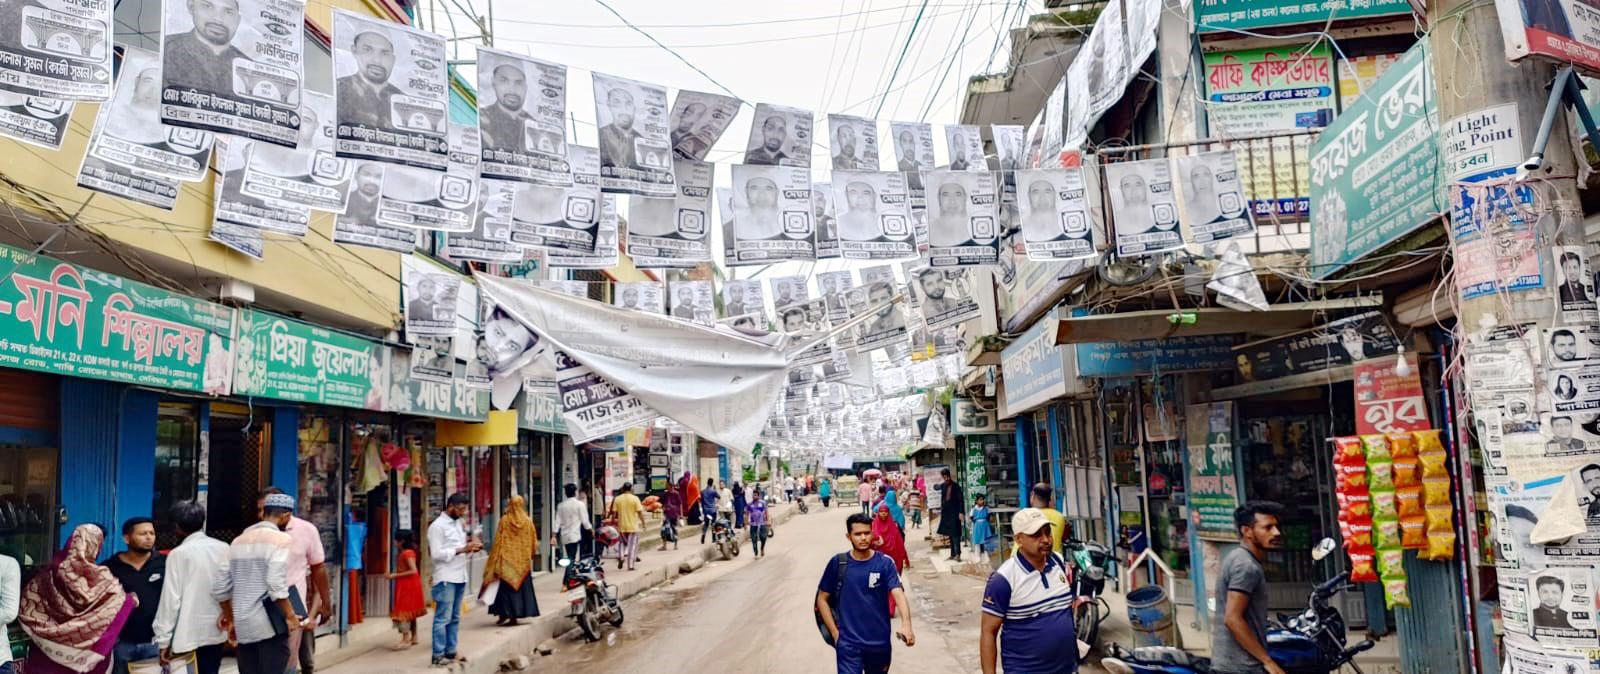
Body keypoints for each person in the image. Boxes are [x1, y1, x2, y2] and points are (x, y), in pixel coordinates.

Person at [20, 524, 133, 674]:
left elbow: (28, 606)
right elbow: (118, 604)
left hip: (46, 657)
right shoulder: (101, 578)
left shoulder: (46, 576)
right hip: (89, 663)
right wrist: (130, 601)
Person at [979, 508, 1078, 674]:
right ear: (1019, 539)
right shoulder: (1004, 579)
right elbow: (988, 632)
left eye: (1048, 532)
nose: (1046, 540)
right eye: (1036, 535)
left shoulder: (1058, 563)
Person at [816, 514, 915, 674]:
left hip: (879, 643)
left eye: (867, 533)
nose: (863, 538)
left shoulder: (884, 563)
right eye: (857, 534)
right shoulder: (838, 563)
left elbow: (898, 593)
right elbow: (822, 599)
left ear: (872, 534)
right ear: (849, 537)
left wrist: (906, 625)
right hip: (848, 645)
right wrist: (835, 634)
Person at [213, 495, 297, 674]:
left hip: (244, 627)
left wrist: (232, 620)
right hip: (270, 626)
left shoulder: (237, 541)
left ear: (263, 513)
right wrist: (290, 615)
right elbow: (276, 585)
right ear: (285, 516)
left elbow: (220, 588)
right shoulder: (281, 540)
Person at [150, 502, 227, 674]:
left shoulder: (179, 554)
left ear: (176, 527)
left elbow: (170, 599)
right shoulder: (223, 548)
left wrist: (163, 640)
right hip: (216, 630)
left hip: (186, 634)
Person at [259, 488, 329, 674]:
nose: (263, 516)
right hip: (260, 609)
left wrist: (324, 605)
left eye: (267, 511)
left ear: (284, 513)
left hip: (293, 609)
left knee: (290, 661)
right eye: (260, 511)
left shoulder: (306, 531)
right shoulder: (253, 535)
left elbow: (318, 569)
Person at [1212, 502, 1286, 674]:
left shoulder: (1237, 557)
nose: (1276, 532)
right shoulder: (1246, 566)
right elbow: (1232, 619)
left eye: (1276, 526)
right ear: (1247, 531)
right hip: (1241, 667)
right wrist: (1268, 661)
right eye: (1268, 527)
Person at [104, 517, 165, 674]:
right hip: (121, 643)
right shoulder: (109, 567)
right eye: (142, 533)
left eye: (152, 533)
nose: (149, 537)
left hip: (155, 642)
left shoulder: (165, 564)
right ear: (126, 538)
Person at [427, 493, 480, 667]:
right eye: (461, 509)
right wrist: (461, 550)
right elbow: (436, 554)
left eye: (465, 509)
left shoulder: (459, 523)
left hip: (460, 575)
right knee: (443, 617)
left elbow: (460, 547)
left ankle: (451, 651)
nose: (463, 512)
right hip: (445, 577)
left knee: (455, 617)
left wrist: (469, 548)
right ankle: (438, 654)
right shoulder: (437, 527)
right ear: (451, 506)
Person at [162, 0, 247, 95]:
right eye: (207, 6)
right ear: (191, 7)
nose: (218, 19)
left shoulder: (247, 65)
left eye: (228, 12)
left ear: (238, 20)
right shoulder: (164, 48)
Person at [484, 495, 539, 626]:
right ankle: (516, 615)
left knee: (505, 590)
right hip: (522, 563)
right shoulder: (527, 521)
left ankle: (504, 614)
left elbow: (498, 539)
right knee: (520, 590)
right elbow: (533, 541)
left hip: (506, 562)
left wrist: (494, 558)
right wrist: (530, 554)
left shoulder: (504, 520)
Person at [337, 31, 402, 130]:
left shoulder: (402, 99)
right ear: (354, 51)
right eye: (367, 50)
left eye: (384, 53)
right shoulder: (338, 88)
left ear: (393, 59)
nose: (377, 60)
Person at [385, 530, 425, 650]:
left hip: (407, 586)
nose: (394, 542)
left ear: (401, 541)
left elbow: (413, 570)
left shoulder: (406, 553)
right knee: (411, 612)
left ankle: (405, 639)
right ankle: (414, 637)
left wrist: (393, 575)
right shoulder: (410, 552)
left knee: (403, 612)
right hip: (412, 585)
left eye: (396, 540)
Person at [480, 63, 532, 154]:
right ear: (493, 83)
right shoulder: (480, 118)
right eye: (504, 80)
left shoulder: (534, 125)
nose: (512, 89)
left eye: (518, 83)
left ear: (526, 88)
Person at [1012, 484, 1067, 555]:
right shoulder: (1059, 517)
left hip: (1025, 559)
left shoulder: (1025, 515)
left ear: (1033, 495)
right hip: (1052, 560)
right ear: (1050, 499)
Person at [597, 86, 641, 170]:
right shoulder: (600, 136)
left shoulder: (642, 140)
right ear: (609, 106)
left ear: (634, 108)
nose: (624, 110)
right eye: (617, 104)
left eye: (628, 104)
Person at [554, 483, 593, 562]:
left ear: (565, 493)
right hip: (574, 535)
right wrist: (591, 530)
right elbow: (585, 521)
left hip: (564, 535)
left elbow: (557, 522)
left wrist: (553, 535)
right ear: (575, 492)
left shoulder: (561, 506)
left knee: (570, 555)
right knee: (572, 557)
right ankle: (568, 574)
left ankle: (570, 573)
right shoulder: (580, 505)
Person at [610, 484, 644, 571]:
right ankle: (631, 565)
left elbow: (614, 513)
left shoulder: (618, 499)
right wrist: (643, 523)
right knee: (632, 546)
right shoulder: (635, 498)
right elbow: (640, 512)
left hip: (622, 525)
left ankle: (621, 557)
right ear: (631, 489)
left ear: (623, 489)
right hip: (633, 526)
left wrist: (613, 522)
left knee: (622, 543)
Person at [938, 467, 966, 561]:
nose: (946, 479)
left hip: (955, 513)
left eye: (947, 477)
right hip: (947, 513)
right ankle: (952, 554)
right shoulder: (943, 485)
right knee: (950, 534)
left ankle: (958, 554)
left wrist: (961, 512)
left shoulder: (956, 486)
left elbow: (961, 500)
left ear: (949, 476)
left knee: (955, 534)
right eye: (944, 477)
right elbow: (937, 488)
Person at [871, 504, 909, 574]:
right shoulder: (874, 525)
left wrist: (904, 556)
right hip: (880, 556)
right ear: (878, 512)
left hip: (894, 556)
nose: (883, 513)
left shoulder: (893, 526)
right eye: (881, 511)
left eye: (885, 511)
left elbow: (899, 542)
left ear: (888, 513)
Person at [660, 482, 683, 551]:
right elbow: (662, 504)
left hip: (674, 514)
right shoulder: (665, 494)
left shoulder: (676, 494)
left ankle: (675, 545)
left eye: (667, 486)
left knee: (674, 529)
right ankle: (664, 546)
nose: (666, 487)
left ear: (670, 486)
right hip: (666, 514)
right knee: (664, 530)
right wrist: (662, 509)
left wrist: (681, 515)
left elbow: (680, 504)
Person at [748, 488, 770, 558]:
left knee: (763, 537)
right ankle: (756, 553)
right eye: (753, 495)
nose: (754, 497)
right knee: (753, 539)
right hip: (753, 524)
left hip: (762, 523)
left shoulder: (763, 503)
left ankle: (762, 548)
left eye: (756, 495)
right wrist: (745, 523)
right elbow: (746, 514)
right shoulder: (750, 504)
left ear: (759, 496)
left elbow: (766, 512)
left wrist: (768, 520)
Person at [699, 478, 721, 544]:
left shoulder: (702, 491)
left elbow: (701, 501)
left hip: (706, 511)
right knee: (713, 524)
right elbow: (719, 497)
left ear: (707, 483)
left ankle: (703, 535)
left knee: (706, 524)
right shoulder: (713, 491)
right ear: (712, 483)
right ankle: (713, 538)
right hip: (713, 510)